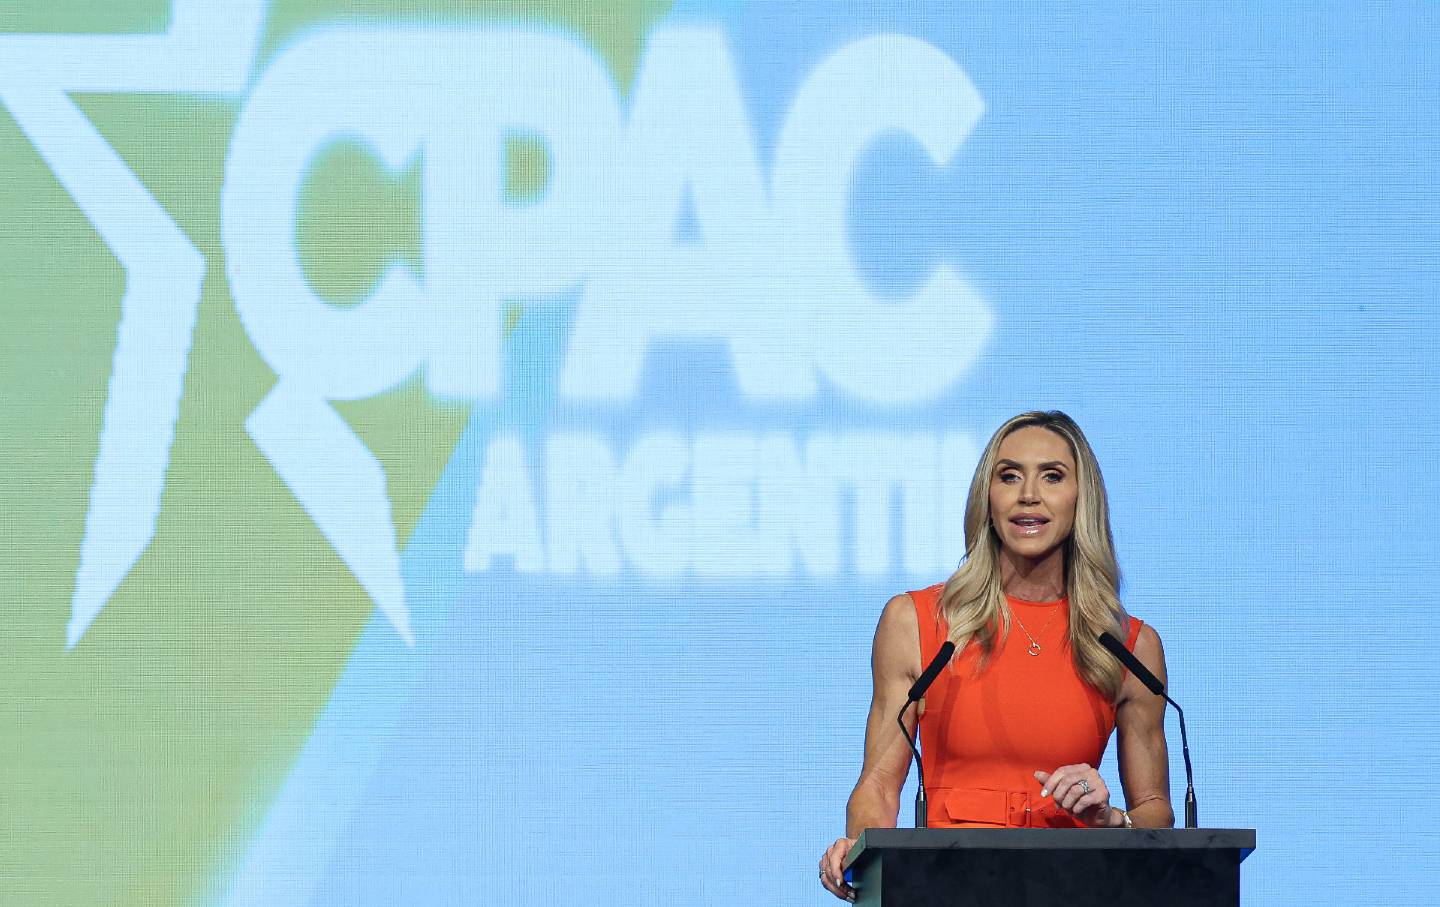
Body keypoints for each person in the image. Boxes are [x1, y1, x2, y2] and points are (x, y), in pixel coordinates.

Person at [819, 411, 1173, 901]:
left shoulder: (1130, 647)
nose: (1029, 494)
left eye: (1052, 476)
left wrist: (1110, 818)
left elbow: (1155, 809)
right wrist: (862, 849)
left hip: (1076, 886)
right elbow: (879, 784)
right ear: (988, 499)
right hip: (941, 885)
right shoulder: (918, 623)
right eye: (1009, 476)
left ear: (1081, 500)